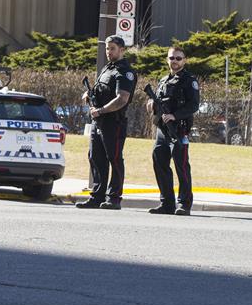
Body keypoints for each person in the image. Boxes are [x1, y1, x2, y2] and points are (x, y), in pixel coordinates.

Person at [76, 35, 136, 210]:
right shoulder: (107, 68)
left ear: (122, 50)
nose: (109, 52)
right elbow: (101, 90)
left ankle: (114, 198)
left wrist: (101, 110)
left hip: (113, 122)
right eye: (107, 48)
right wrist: (89, 94)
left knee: (114, 159)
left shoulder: (125, 71)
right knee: (96, 157)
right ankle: (97, 196)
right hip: (98, 121)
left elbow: (122, 99)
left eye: (113, 49)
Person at [146, 46, 200, 216]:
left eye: (178, 58)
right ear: (167, 59)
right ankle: (167, 203)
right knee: (159, 163)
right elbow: (159, 101)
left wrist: (175, 116)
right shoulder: (163, 80)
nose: (174, 61)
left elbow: (193, 105)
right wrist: (151, 105)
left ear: (184, 60)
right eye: (172, 58)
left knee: (181, 166)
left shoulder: (189, 80)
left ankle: (184, 203)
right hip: (162, 130)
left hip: (179, 129)